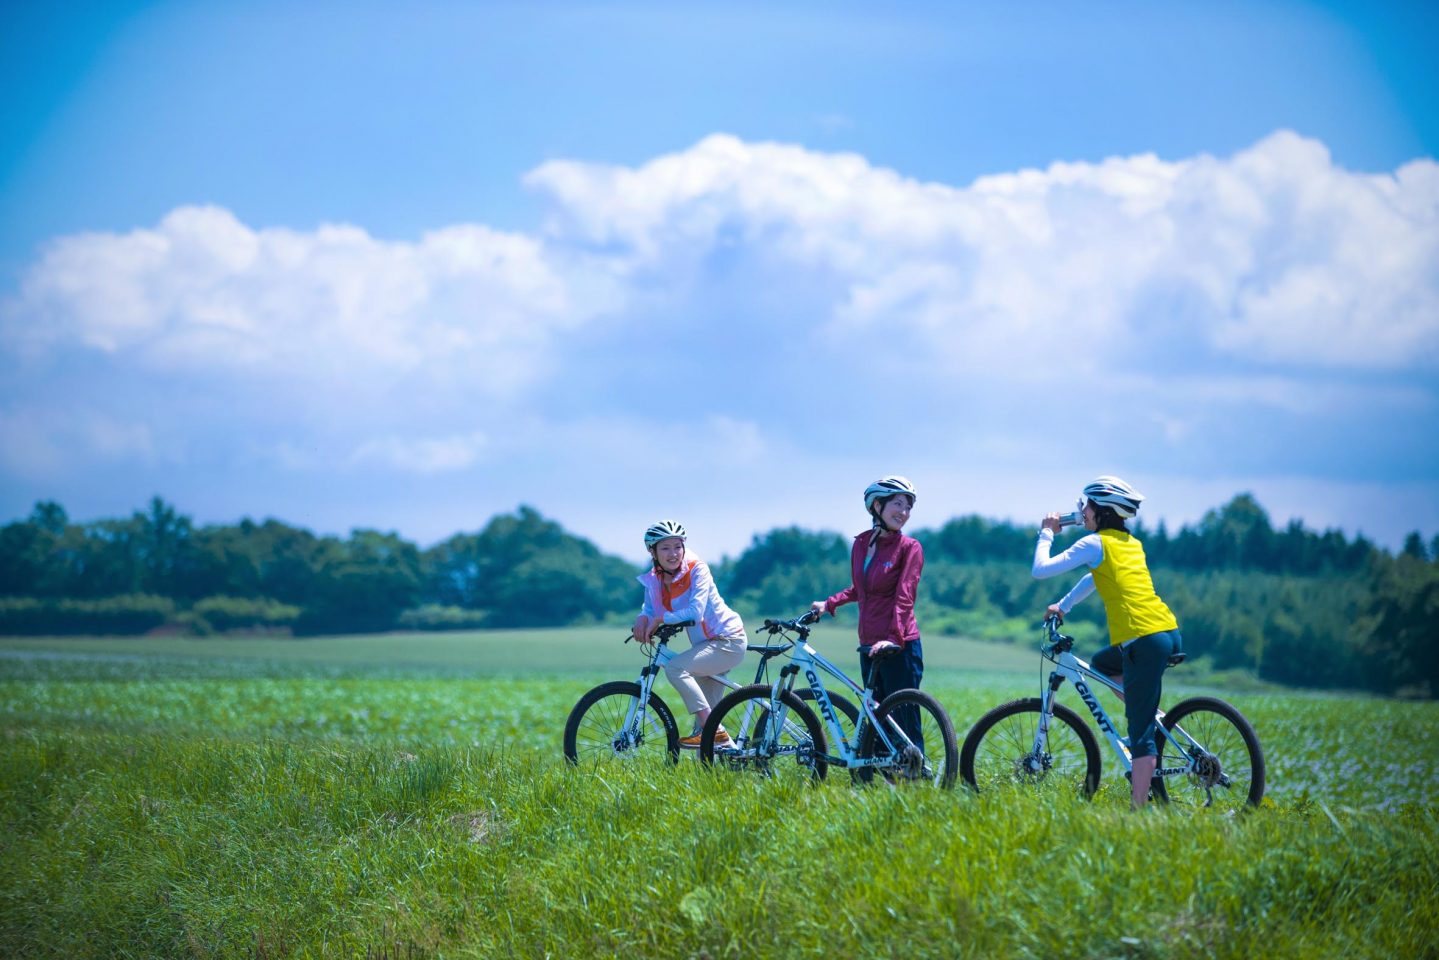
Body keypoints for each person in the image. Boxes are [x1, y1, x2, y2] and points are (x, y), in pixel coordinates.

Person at [1032, 476, 1183, 810]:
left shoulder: (1094, 544)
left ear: (1101, 510)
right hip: (1167, 632)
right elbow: (1095, 577)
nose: (1082, 512)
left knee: (1140, 736)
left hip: (1143, 638)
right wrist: (1064, 605)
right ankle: (1151, 714)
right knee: (1102, 665)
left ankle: (1136, 814)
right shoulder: (1129, 543)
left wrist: (1046, 532)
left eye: (1086, 505)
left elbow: (1040, 569)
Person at [810, 476, 925, 743]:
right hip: (869, 644)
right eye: (898, 504)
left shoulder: (910, 548)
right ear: (876, 505)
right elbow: (861, 588)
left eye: (908, 507)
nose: (904, 513)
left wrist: (893, 639)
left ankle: (917, 775)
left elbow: (904, 597)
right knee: (877, 719)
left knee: (904, 723)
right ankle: (883, 780)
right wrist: (829, 604)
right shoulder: (861, 544)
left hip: (900, 646)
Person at [633, 520, 747, 748]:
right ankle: (723, 755)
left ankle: (716, 730)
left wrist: (660, 619)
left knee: (676, 667)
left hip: (727, 641)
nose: (673, 553)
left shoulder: (697, 568)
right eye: (665, 548)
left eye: (677, 546)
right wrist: (642, 618)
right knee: (704, 741)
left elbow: (695, 612)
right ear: (652, 552)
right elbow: (650, 607)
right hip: (705, 646)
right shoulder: (655, 578)